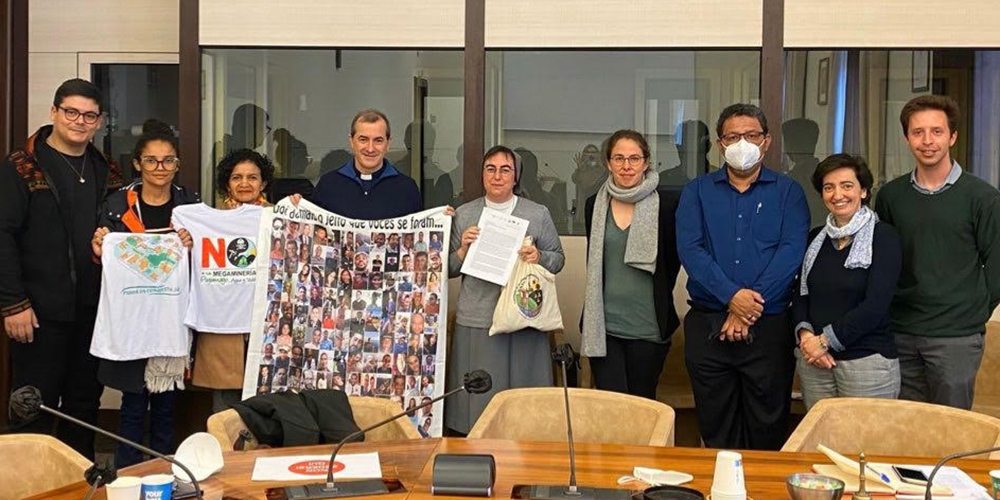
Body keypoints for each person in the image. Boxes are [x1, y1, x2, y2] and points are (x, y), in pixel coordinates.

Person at [0, 79, 124, 458]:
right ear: (54, 112)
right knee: (32, 406)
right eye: (71, 112)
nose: (79, 121)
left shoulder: (107, 169)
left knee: (83, 406)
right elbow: (2, 235)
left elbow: (121, 231)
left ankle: (76, 487)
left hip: (92, 311)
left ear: (100, 121)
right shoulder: (20, 166)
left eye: (89, 115)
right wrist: (13, 304)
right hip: (37, 312)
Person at [676, 103, 809, 450]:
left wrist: (747, 307)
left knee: (767, 426)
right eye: (733, 136)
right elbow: (691, 250)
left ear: (766, 141)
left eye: (751, 135)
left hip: (769, 327)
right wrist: (731, 298)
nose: (742, 143)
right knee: (715, 425)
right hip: (709, 326)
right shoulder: (697, 192)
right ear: (720, 144)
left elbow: (791, 252)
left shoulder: (788, 193)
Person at [874, 95, 1000, 410]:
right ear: (906, 138)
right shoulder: (890, 196)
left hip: (956, 338)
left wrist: (972, 313)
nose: (927, 141)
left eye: (937, 131)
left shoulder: (982, 197)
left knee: (950, 430)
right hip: (901, 332)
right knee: (905, 432)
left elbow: (997, 265)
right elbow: (884, 263)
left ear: (952, 136)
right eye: (918, 132)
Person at [90, 125, 198, 466]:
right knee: (133, 403)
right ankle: (128, 471)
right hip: (132, 319)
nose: (160, 167)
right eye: (151, 160)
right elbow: (103, 257)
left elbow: (205, 258)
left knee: (167, 402)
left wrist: (193, 246)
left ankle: (165, 469)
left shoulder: (191, 206)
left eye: (168, 160)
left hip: (171, 317)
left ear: (177, 165)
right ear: (137, 164)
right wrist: (100, 247)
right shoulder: (116, 204)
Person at [446, 145, 565, 434]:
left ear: (515, 177)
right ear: (482, 175)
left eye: (505, 170)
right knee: (479, 407)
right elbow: (445, 269)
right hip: (478, 318)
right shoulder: (465, 214)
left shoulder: (537, 214)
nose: (497, 176)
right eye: (491, 169)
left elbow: (558, 259)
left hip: (524, 318)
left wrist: (539, 256)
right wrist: (462, 249)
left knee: (526, 410)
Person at [792, 154, 902, 410]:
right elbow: (799, 295)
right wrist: (807, 338)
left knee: (866, 447)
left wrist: (823, 342)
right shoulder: (814, 239)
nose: (837, 194)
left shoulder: (884, 237)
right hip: (814, 363)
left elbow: (875, 305)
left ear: (863, 191)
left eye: (847, 185)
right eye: (828, 187)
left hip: (867, 363)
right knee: (821, 446)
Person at [582, 129, 681, 400]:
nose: (626, 166)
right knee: (612, 409)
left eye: (634, 158)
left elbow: (672, 263)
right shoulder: (594, 204)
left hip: (648, 329)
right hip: (604, 328)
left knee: (642, 408)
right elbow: (595, 263)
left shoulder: (667, 205)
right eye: (619, 158)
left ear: (646, 162)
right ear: (608, 163)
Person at [189, 149, 274, 412]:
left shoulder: (279, 219)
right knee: (225, 405)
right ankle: (227, 453)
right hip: (224, 326)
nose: (245, 184)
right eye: (237, 177)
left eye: (252, 177)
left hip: (266, 323)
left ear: (264, 183)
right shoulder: (211, 222)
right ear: (227, 182)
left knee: (269, 399)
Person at [308, 109, 421, 219]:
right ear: (351, 141)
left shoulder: (407, 188)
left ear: (388, 143)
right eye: (363, 139)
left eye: (378, 140)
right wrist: (293, 205)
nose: (370, 149)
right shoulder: (328, 185)